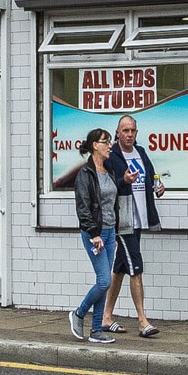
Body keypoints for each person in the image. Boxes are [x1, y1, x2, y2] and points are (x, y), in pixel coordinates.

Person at [99, 112, 164, 338]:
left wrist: (158, 186)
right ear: (117, 133)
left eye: (132, 131)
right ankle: (143, 321)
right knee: (135, 266)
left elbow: (151, 177)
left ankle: (106, 317)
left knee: (120, 268)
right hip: (122, 221)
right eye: (125, 131)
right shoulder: (111, 156)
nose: (129, 134)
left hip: (139, 219)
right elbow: (104, 187)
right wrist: (122, 181)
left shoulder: (141, 152)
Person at [69, 127, 120, 346]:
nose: (110, 145)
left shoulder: (109, 169)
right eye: (105, 142)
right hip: (95, 234)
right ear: (94, 146)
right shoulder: (85, 174)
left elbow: (111, 203)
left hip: (110, 232)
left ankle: (96, 330)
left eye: (109, 141)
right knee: (104, 280)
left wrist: (113, 232)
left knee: (104, 283)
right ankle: (79, 314)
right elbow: (83, 208)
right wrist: (94, 233)